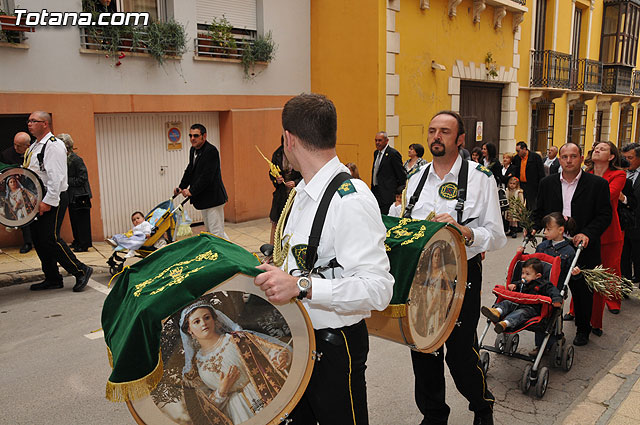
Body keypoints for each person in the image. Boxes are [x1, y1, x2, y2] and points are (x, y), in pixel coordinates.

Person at [253, 93, 394, 424]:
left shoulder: (350, 200)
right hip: (298, 340)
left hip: (333, 347)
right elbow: (305, 262)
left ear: (289, 139)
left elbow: (379, 289)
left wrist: (301, 285)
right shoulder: (302, 194)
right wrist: (277, 272)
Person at [404, 110, 506, 425]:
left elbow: (497, 236)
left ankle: (481, 405)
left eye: (445, 132)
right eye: (432, 130)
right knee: (423, 349)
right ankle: (434, 414)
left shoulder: (480, 178)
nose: (436, 136)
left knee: (460, 352)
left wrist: (465, 232)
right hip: (421, 275)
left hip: (462, 274)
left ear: (460, 139)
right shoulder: (415, 177)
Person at [532, 142, 612, 346]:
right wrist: (531, 226)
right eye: (565, 157)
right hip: (554, 247)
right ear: (559, 159)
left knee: (583, 291)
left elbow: (604, 216)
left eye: (573, 156)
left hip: (582, 246)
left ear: (581, 158)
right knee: (549, 287)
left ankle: (583, 329)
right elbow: (539, 211)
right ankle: (548, 329)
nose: (569, 160)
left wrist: (587, 233)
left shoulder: (597, 184)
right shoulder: (547, 183)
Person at [179, 300, 291, 425]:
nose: (204, 323)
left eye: (207, 318)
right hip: (239, 411)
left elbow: (268, 351)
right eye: (197, 322)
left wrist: (279, 357)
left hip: (265, 391)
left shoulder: (236, 339)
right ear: (190, 330)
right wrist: (222, 390)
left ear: (214, 320)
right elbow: (206, 409)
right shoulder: (195, 367)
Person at [24, 111, 93, 292]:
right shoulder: (35, 146)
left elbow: (56, 177)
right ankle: (52, 277)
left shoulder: (53, 146)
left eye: (33, 121)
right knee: (39, 239)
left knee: (51, 238)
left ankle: (81, 270)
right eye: (29, 121)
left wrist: (48, 201)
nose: (29, 123)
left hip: (52, 197)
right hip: (39, 199)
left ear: (45, 124)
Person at [584, 141, 626, 335]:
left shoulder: (618, 174)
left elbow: (609, 195)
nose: (597, 150)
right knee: (582, 271)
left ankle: (613, 299)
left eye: (603, 149)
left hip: (610, 231)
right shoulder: (586, 174)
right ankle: (577, 309)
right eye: (596, 148)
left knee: (609, 270)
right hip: (587, 230)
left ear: (611, 157)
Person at [175, 124, 228, 239]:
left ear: (204, 136)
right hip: (204, 200)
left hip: (214, 199)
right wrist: (181, 187)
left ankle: (228, 255)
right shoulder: (193, 150)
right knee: (212, 232)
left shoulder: (211, 151)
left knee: (216, 233)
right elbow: (190, 170)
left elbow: (207, 176)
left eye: (196, 136)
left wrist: (191, 191)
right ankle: (231, 254)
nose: (192, 138)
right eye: (190, 135)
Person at [481, 258, 562, 333]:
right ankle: (497, 311)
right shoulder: (522, 283)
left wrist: (556, 300)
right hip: (518, 303)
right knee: (507, 302)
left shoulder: (544, 284)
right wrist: (513, 285)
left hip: (531, 308)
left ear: (538, 276)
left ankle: (505, 323)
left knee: (520, 313)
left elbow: (554, 291)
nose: (523, 276)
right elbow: (517, 284)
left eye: (527, 274)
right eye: (522, 273)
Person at [409, 242, 455, 337]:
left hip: (437, 310)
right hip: (426, 307)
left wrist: (444, 303)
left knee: (434, 333)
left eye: (439, 256)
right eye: (435, 255)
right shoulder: (427, 274)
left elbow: (450, 291)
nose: (437, 258)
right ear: (432, 258)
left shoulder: (442, 274)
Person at [58, 133, 93, 253]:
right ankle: (77, 240)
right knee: (74, 220)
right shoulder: (65, 159)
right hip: (71, 195)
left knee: (82, 221)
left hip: (80, 195)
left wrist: (66, 180)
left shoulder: (76, 160)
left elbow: (83, 178)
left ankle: (84, 244)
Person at [1, 132, 33, 253]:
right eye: (14, 145)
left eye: (19, 146)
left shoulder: (33, 152)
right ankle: (27, 242)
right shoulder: (7, 155)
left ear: (27, 145)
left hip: (33, 189)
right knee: (22, 215)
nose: (16, 148)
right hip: (16, 190)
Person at [268, 136, 302, 245]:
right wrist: (276, 179)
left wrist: (296, 183)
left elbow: (306, 174)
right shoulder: (277, 154)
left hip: (295, 195)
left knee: (292, 222)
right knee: (276, 222)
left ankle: (289, 247)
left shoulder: (300, 154)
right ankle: (273, 250)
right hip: (281, 194)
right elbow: (271, 172)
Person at [370, 131, 406, 214]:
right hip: (376, 191)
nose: (377, 143)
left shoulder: (393, 154)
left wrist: (398, 193)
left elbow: (401, 175)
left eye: (380, 140)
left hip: (388, 194)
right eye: (376, 140)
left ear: (386, 141)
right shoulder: (376, 153)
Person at [621, 143, 640, 284]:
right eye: (625, 157)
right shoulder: (621, 173)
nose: (627, 161)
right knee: (623, 256)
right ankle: (625, 284)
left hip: (638, 224)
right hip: (624, 223)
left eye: (630, 157)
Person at [510, 141, 545, 210]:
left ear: (524, 149)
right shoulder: (516, 158)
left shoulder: (535, 157)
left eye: (518, 151)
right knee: (521, 204)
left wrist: (541, 186)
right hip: (521, 185)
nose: (517, 153)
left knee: (532, 206)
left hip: (533, 186)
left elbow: (541, 173)